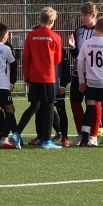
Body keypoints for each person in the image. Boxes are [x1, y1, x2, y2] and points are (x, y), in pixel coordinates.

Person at [13, 8, 63, 149]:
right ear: (52, 21)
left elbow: (26, 58)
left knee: (34, 106)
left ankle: (16, 133)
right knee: (49, 107)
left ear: (39, 19)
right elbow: (58, 59)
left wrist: (27, 77)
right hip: (48, 77)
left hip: (34, 76)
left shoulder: (31, 35)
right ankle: (46, 140)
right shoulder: (56, 37)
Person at [76, 16, 103, 147]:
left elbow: (79, 62)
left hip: (91, 82)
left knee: (90, 109)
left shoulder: (86, 43)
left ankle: (84, 138)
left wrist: (81, 80)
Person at [67, 2, 97, 140]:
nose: (82, 18)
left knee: (94, 103)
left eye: (85, 15)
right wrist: (72, 47)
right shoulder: (78, 31)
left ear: (93, 15)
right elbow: (77, 55)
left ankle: (93, 135)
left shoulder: (100, 30)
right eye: (81, 15)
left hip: (94, 74)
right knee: (75, 102)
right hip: (78, 73)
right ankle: (80, 133)